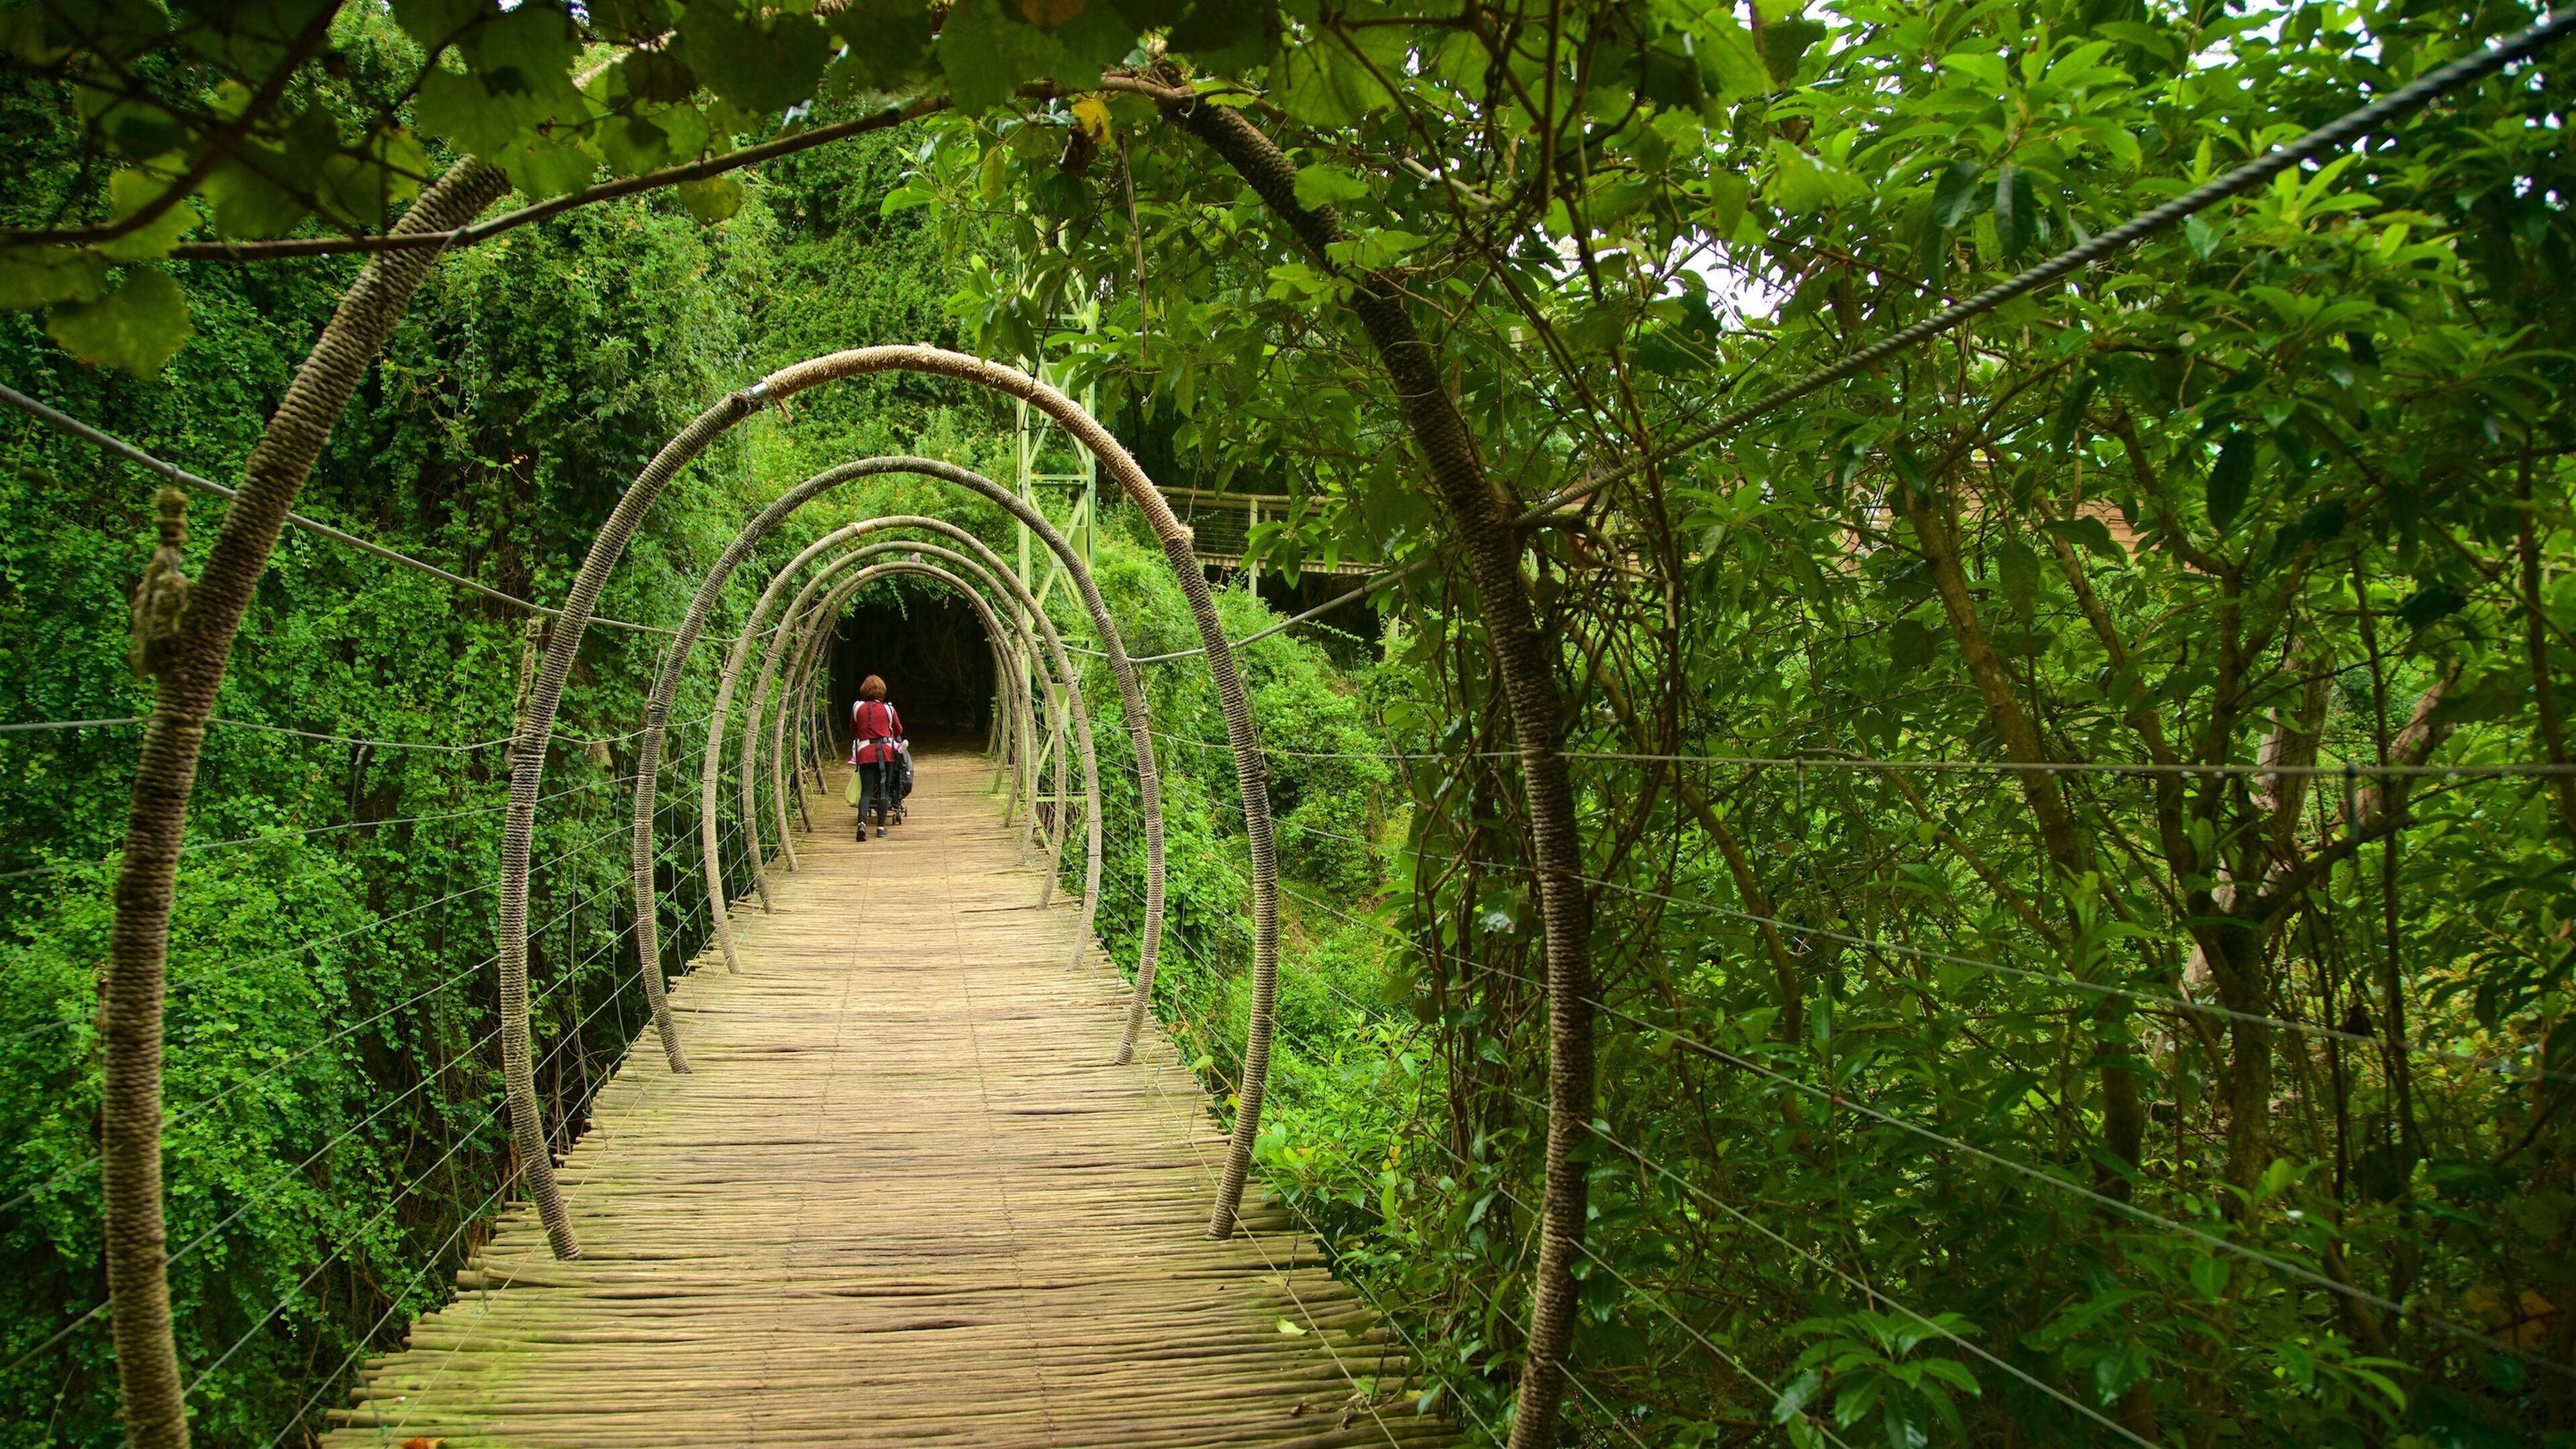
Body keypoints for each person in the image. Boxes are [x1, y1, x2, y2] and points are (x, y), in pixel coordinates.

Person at [849, 676, 905, 841]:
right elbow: (898, 730)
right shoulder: (889, 709)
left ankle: (862, 825)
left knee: (866, 792)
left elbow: (853, 729)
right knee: (885, 792)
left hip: (865, 753)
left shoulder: (857, 708)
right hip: (886, 754)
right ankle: (880, 828)